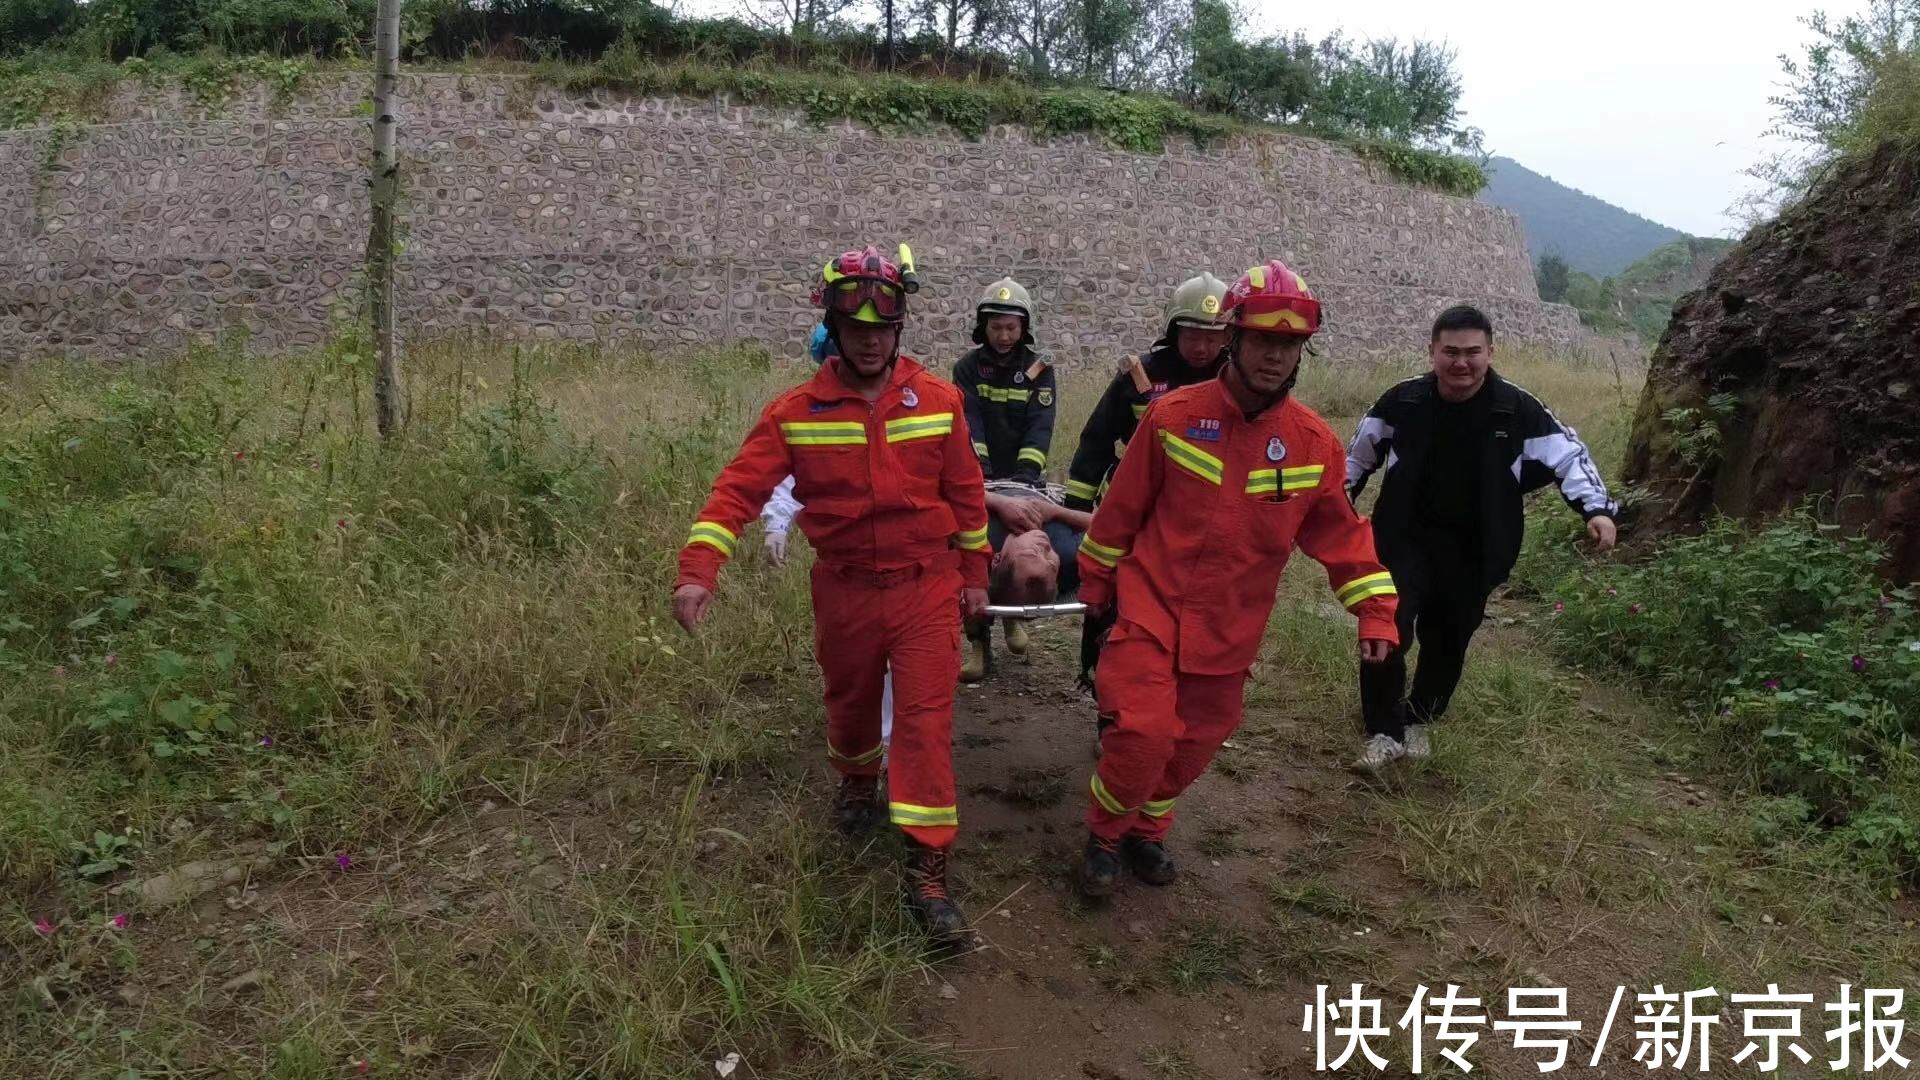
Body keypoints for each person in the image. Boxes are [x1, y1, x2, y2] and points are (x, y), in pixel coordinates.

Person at [672, 245, 990, 940]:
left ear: (899, 327)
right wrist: (700, 568)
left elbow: (967, 498)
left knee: (925, 726)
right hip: (844, 591)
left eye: (882, 327)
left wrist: (974, 579)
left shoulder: (939, 402)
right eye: (856, 327)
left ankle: (928, 873)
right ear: (833, 329)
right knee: (848, 708)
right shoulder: (795, 412)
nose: (870, 338)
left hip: (923, 591)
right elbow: (737, 491)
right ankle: (854, 785)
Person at [1072, 262, 1399, 898]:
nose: (1275, 357)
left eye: (1289, 345)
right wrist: (1094, 581)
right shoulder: (1172, 416)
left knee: (1194, 743)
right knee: (1142, 732)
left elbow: (1341, 536)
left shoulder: (1312, 444)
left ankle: (1148, 827)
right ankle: (1106, 834)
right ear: (1234, 340)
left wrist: (1376, 610)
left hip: (1229, 629)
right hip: (1151, 606)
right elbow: (1121, 511)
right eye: (1263, 341)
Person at [1345, 304, 1618, 771]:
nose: (1461, 363)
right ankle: (1384, 732)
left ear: (1490, 353)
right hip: (1402, 540)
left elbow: (1569, 456)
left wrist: (1596, 510)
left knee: (1449, 637)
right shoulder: (1403, 402)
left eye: (1473, 352)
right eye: (1450, 351)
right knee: (1387, 626)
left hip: (1476, 549)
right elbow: (1356, 457)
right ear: (1432, 352)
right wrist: (1333, 506)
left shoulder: (1515, 408)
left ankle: (1420, 717)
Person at [953, 279, 1058, 668]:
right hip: (978, 478)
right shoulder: (966, 369)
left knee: (1018, 553)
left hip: (1024, 479)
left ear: (1024, 327)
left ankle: (1014, 619)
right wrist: (980, 478)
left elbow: (1039, 425)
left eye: (1011, 327)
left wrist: (1025, 477)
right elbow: (969, 423)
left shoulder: (1038, 370)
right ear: (983, 327)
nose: (1003, 335)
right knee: (975, 555)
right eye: (996, 327)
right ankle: (979, 644)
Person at [1062, 273, 1231, 512]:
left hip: (1202, 511)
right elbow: (1096, 440)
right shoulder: (1141, 376)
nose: (1201, 348)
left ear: (1228, 337)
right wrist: (1076, 508)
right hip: (1132, 506)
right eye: (1192, 337)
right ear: (1174, 332)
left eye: (1212, 339)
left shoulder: (1236, 382)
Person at [960, 481, 1093, 681]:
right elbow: (1107, 524)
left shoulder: (984, 542)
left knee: (981, 589)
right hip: (1010, 485)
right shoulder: (1065, 550)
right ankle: (981, 642)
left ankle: (1004, 620)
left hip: (996, 562)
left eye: (1033, 554)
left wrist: (993, 501)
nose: (1042, 545)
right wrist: (1057, 512)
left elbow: (953, 496)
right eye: (1051, 562)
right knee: (978, 591)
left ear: (997, 559)